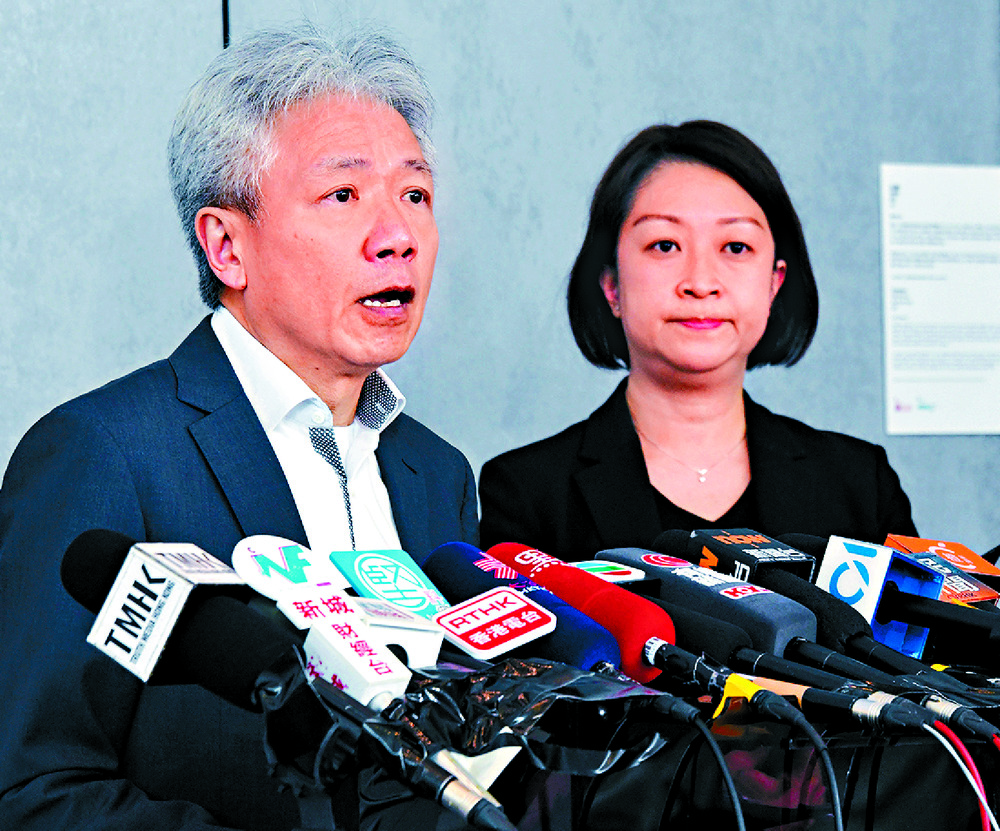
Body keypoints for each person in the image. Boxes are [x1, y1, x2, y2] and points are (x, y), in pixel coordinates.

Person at [0, 24, 477, 831]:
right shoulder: (107, 454)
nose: (396, 236)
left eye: (416, 194)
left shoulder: (438, 472)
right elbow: (34, 791)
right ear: (227, 245)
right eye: (344, 195)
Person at [479, 121, 916, 559]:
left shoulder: (860, 485)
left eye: (736, 247)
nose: (701, 283)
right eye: (665, 245)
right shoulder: (526, 495)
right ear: (611, 285)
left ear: (773, 284)